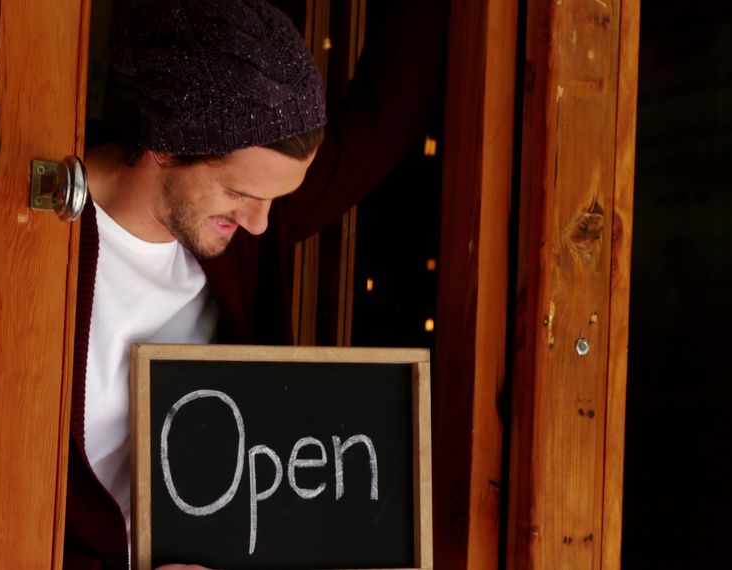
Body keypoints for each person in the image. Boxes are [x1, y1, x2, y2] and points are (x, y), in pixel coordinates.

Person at [64, 0, 447, 568]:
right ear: (166, 143)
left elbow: (386, 115)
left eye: (276, 201)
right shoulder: (36, 245)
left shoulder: (244, 231)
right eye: (240, 195)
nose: (262, 224)